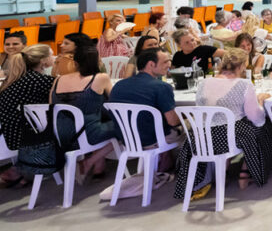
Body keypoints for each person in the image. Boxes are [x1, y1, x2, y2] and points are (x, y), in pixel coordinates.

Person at [174, 48, 272, 200]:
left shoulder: (204, 82)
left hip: (200, 138)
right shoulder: (243, 84)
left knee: (236, 125)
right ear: (242, 66)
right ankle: (246, 172)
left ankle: (224, 172)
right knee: (264, 127)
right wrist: (260, 101)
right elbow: (255, 117)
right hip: (226, 139)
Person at [51, 34, 119, 180]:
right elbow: (116, 102)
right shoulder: (100, 78)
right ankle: (90, 161)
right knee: (125, 126)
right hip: (87, 134)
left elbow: (52, 105)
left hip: (60, 134)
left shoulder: (58, 80)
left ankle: (98, 166)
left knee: (97, 118)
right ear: (97, 61)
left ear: (75, 62)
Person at [109, 48, 181, 170]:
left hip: (128, 139)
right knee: (191, 127)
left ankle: (164, 162)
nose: (169, 65)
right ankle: (191, 169)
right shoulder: (162, 87)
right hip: (153, 139)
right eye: (165, 62)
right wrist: (187, 117)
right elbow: (173, 121)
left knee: (158, 122)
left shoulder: (119, 85)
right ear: (151, 64)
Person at [0, 44, 55, 185]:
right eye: (52, 55)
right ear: (43, 61)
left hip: (7, 133)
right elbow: (59, 94)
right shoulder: (39, 80)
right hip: (23, 136)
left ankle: (22, 170)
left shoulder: (15, 79)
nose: (55, 58)